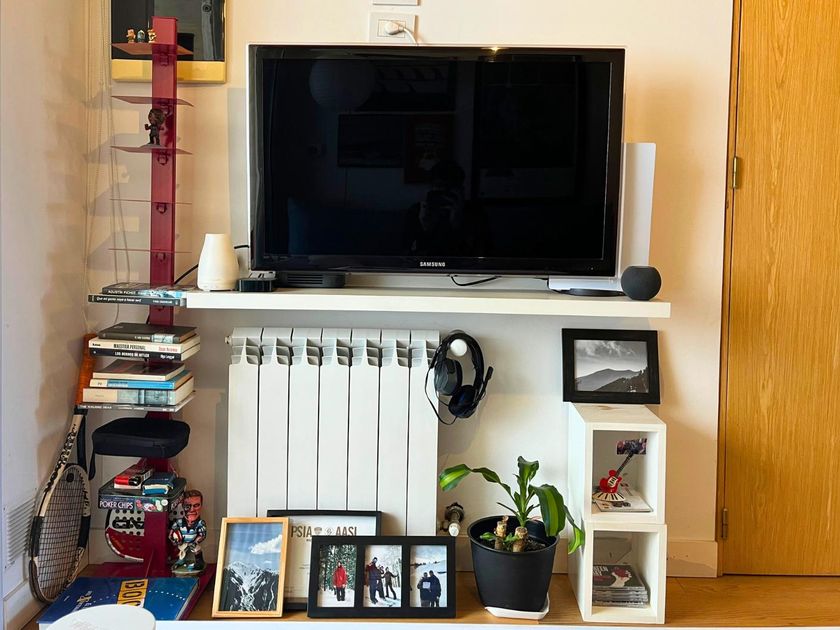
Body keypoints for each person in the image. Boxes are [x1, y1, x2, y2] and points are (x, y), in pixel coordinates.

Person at [168, 489, 207, 575]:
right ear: (182, 506)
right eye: (187, 506)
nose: (192, 510)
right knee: (182, 551)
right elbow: (171, 534)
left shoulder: (200, 524)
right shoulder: (179, 522)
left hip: (194, 543)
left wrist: (195, 541)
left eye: (196, 505)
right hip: (182, 543)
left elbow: (202, 535)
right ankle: (181, 561)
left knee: (196, 549)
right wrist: (174, 540)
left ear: (201, 505)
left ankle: (199, 562)